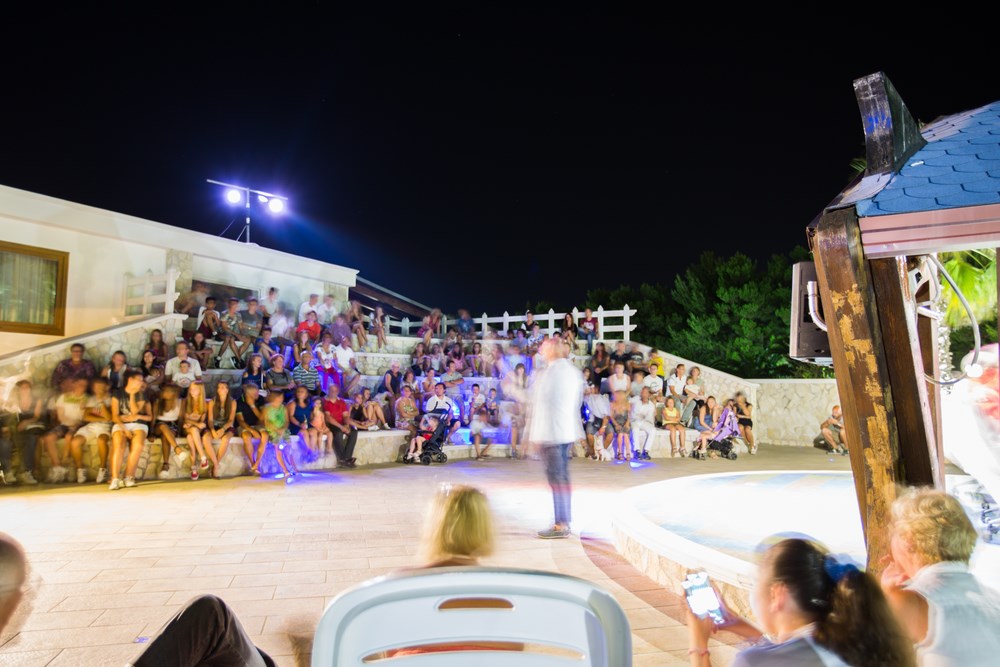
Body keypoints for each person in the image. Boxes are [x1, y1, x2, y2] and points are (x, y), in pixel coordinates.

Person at [685, 537, 915, 667]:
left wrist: (699, 645)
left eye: (757, 580)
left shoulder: (753, 662)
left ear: (777, 594)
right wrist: (737, 625)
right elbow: (788, 653)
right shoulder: (853, 642)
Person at [880, 487, 1000, 665]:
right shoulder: (994, 599)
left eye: (893, 534)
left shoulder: (911, 602)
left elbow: (866, 657)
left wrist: (885, 595)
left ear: (908, 540)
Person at [529, 339, 584, 539]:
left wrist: (536, 435)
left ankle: (561, 524)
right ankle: (564, 520)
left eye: (544, 348)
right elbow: (576, 403)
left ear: (552, 351)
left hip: (552, 434)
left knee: (557, 480)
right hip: (565, 432)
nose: (542, 351)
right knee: (562, 479)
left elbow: (543, 404)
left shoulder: (551, 373)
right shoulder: (573, 372)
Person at [108, 370, 153, 490]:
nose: (141, 382)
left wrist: (132, 395)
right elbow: (114, 416)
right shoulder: (117, 393)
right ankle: (115, 478)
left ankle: (129, 476)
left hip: (138, 424)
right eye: (139, 380)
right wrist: (124, 429)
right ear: (130, 380)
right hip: (121, 424)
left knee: (138, 445)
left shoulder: (141, 394)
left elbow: (134, 412)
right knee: (119, 445)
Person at [69, 377, 113, 483]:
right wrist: (103, 417)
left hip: (106, 427)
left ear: (107, 387)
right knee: (75, 442)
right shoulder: (91, 399)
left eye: (100, 387)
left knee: (101, 440)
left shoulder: (111, 399)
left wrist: (101, 402)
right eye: (95, 387)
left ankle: (103, 470)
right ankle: (80, 470)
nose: (97, 390)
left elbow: (109, 417)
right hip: (92, 426)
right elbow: (86, 417)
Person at [9, 380, 45, 485]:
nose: (25, 390)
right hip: (18, 428)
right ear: (18, 390)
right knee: (21, 438)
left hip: (33, 426)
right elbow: (11, 419)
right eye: (23, 388)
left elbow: (36, 416)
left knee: (33, 438)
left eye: (27, 387)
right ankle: (22, 471)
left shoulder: (37, 400)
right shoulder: (14, 402)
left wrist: (26, 422)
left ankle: (27, 471)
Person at [154, 384, 188, 480]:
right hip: (159, 426)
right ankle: (177, 449)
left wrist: (180, 432)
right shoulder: (157, 402)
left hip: (173, 425)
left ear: (174, 393)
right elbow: (153, 419)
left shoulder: (180, 402)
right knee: (163, 426)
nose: (166, 393)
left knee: (165, 437)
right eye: (165, 391)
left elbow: (180, 419)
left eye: (169, 391)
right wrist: (151, 433)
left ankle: (165, 466)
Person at [204, 381, 237, 478]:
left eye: (223, 387)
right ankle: (216, 464)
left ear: (227, 390)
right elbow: (210, 420)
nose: (220, 389)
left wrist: (223, 429)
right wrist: (213, 431)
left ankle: (215, 466)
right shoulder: (212, 401)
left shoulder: (232, 402)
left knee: (225, 439)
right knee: (205, 438)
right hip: (214, 425)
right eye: (219, 387)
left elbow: (231, 420)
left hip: (227, 426)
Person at [182, 381, 212, 480]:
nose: (191, 391)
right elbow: (185, 419)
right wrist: (194, 424)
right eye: (191, 389)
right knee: (193, 431)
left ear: (200, 391)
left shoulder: (205, 404)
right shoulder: (186, 401)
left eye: (194, 389)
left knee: (190, 438)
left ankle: (193, 467)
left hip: (195, 429)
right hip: (186, 428)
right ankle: (203, 458)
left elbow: (202, 422)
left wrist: (194, 424)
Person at [235, 383, 267, 474]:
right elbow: (241, 421)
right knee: (246, 436)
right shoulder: (239, 401)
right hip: (244, 425)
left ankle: (257, 462)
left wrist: (252, 405)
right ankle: (252, 463)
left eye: (257, 392)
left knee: (265, 435)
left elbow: (261, 417)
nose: (257, 395)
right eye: (254, 394)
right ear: (247, 394)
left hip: (257, 424)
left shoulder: (260, 399)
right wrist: (252, 431)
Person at [262, 390, 294, 480]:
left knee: (288, 449)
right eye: (279, 397)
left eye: (282, 397)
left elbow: (287, 421)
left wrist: (283, 429)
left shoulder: (283, 408)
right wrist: (276, 430)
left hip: (283, 430)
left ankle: (292, 467)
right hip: (273, 431)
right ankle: (285, 470)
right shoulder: (267, 408)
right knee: (278, 449)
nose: (281, 399)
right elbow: (266, 422)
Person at [323, 384, 357, 469]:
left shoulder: (341, 402)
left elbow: (345, 416)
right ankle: (346, 459)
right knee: (338, 433)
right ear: (328, 391)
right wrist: (341, 427)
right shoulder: (325, 401)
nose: (333, 392)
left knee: (353, 432)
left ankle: (345, 459)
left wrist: (346, 425)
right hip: (331, 424)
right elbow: (328, 418)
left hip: (341, 423)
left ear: (338, 392)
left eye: (335, 391)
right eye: (331, 390)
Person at [217, 298, 251, 369]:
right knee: (230, 338)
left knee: (248, 340)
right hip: (222, 333)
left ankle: (236, 358)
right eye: (232, 304)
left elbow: (241, 327)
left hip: (233, 333)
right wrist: (237, 335)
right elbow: (224, 328)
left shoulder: (238, 315)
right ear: (229, 305)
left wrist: (242, 334)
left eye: (236, 304)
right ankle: (239, 360)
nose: (234, 305)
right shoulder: (224, 313)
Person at [287, 385, 318, 453]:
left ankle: (312, 451)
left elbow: (311, 417)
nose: (299, 393)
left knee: (313, 431)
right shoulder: (293, 403)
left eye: (302, 392)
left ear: (306, 394)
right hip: (296, 425)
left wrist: (315, 412)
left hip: (306, 424)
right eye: (298, 391)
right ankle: (307, 451)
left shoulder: (309, 404)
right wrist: (299, 424)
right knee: (304, 432)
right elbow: (291, 416)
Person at [630, 386, 656, 461]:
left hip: (645, 422)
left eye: (645, 392)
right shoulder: (636, 400)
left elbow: (649, 417)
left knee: (653, 430)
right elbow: (634, 414)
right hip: (635, 421)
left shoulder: (651, 405)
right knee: (635, 429)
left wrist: (642, 416)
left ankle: (646, 451)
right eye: (642, 392)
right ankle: (637, 451)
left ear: (648, 394)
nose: (643, 394)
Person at [608, 389, 633, 461]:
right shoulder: (612, 404)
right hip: (617, 423)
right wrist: (616, 425)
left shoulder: (627, 404)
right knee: (621, 434)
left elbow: (630, 416)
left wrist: (627, 423)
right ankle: (620, 452)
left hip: (625, 422)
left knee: (626, 434)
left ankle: (628, 452)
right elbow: (611, 417)